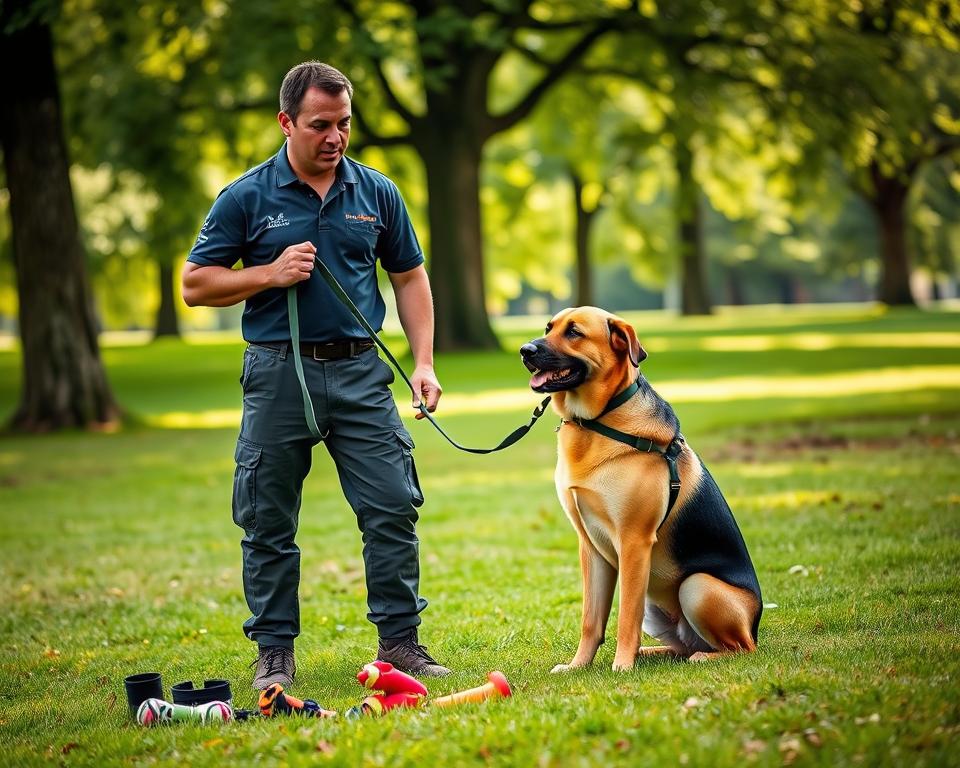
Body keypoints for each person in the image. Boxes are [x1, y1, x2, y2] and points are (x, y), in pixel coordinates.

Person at [181, 61, 450, 688]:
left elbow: (409, 277)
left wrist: (425, 362)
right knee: (268, 520)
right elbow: (196, 284)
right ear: (287, 123)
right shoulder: (246, 196)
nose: (335, 137)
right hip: (277, 375)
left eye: (344, 124)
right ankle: (274, 651)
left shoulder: (377, 192)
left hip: (360, 374)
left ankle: (400, 645)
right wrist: (266, 274)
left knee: (391, 506)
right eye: (320, 125)